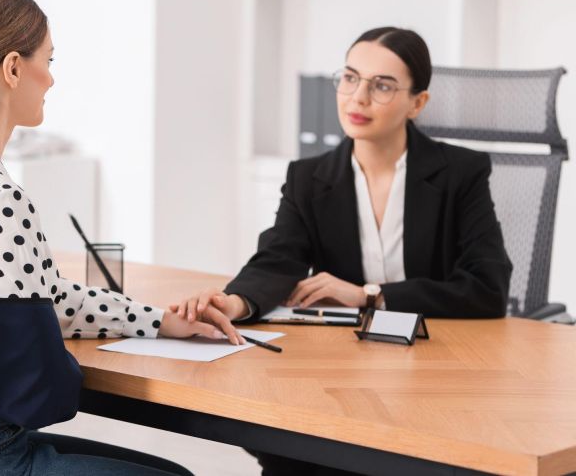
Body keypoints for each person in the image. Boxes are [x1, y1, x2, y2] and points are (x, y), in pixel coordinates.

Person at [0, 0, 236, 476]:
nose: (52, 79)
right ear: (14, 68)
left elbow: (39, 298)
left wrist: (157, 321)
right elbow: (42, 381)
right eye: (50, 60)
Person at [170, 26, 512, 475]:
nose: (358, 97)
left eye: (382, 85)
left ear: (418, 103)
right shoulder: (309, 177)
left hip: (443, 378)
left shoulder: (461, 173)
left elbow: (487, 287)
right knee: (291, 450)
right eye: (349, 78)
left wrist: (369, 295)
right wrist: (233, 302)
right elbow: (279, 257)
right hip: (348, 375)